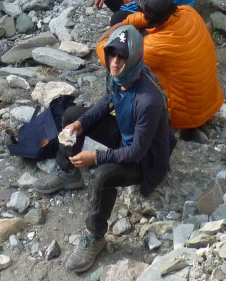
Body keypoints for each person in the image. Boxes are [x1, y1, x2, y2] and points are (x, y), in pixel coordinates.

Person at [35, 24, 175, 274]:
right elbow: (106, 101)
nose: (115, 61)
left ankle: (95, 235)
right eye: (112, 53)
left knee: (104, 174)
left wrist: (97, 157)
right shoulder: (119, 76)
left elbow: (137, 153)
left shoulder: (148, 100)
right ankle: (68, 172)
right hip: (125, 134)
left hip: (146, 160)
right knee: (71, 114)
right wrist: (79, 124)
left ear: (134, 58)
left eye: (122, 56)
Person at [95, 0, 223, 135]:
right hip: (210, 100)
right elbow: (147, 18)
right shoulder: (189, 12)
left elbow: (106, 56)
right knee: (122, 23)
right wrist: (125, 22)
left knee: (119, 68)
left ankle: (117, 108)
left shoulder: (155, 46)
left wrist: (106, 37)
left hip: (188, 116)